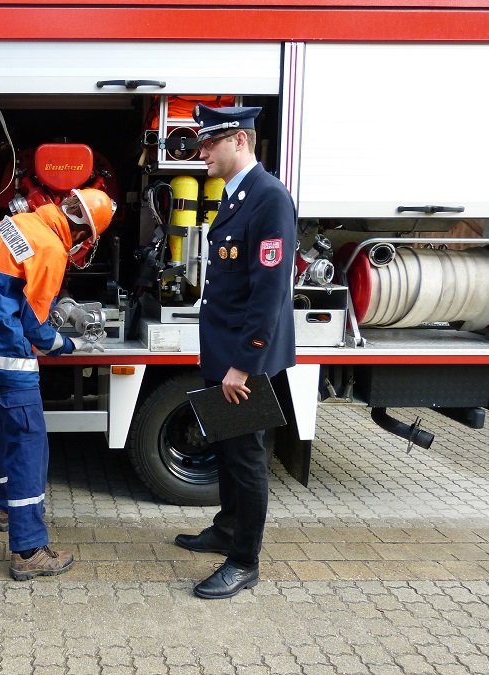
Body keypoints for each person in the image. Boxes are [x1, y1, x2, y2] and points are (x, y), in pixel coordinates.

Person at [0, 188, 115, 580]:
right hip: (4, 357)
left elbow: (8, 288)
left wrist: (55, 307)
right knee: (29, 447)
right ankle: (29, 549)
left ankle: (6, 509)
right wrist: (71, 344)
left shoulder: (17, 222)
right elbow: (35, 330)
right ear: (86, 233)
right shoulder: (53, 250)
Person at [174, 104, 297, 599]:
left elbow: (268, 292)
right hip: (223, 355)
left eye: (210, 143)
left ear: (240, 141)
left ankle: (244, 560)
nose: (201, 152)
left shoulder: (268, 197)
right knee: (226, 451)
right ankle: (226, 529)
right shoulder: (236, 197)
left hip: (244, 362)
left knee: (245, 461)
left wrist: (243, 365)